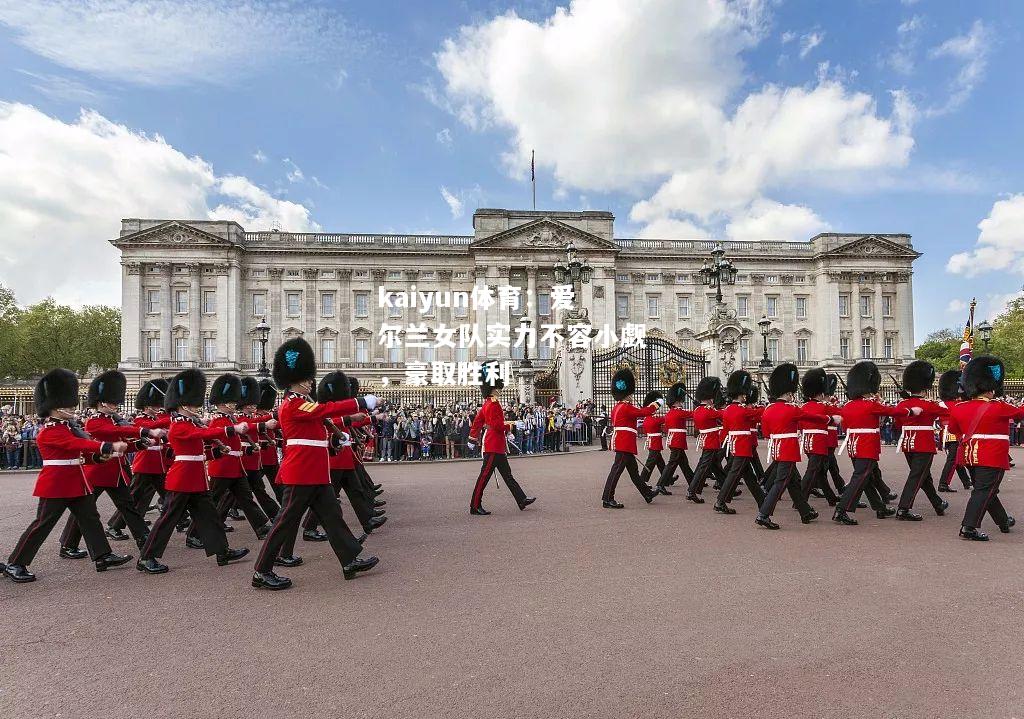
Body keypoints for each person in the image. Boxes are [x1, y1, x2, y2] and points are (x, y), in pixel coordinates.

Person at [251, 338, 380, 590]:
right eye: (307, 379)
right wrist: (361, 402)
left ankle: (349, 559)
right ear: (295, 380)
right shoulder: (293, 404)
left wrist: (334, 440)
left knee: (333, 517)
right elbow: (325, 410)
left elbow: (317, 432)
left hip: (315, 473)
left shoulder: (302, 403)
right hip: (301, 473)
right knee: (284, 522)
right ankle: (261, 570)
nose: (311, 382)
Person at [4, 368, 133, 583]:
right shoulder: (50, 431)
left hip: (77, 483)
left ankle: (102, 555)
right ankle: (16, 562)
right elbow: (76, 444)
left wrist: (100, 458)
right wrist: (106, 446)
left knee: (90, 519)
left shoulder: (68, 427)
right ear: (53, 407)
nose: (72, 408)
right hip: (56, 485)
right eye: (67, 404)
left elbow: (79, 454)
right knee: (42, 524)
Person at [136, 369, 250, 574]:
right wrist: (230, 430)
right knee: (167, 521)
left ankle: (222, 551)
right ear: (183, 405)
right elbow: (200, 434)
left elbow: (201, 443)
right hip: (182, 480)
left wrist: (217, 448)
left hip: (196, 479)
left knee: (211, 517)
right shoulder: (178, 425)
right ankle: (147, 557)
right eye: (194, 404)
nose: (197, 407)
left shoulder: (188, 421)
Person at [59, 370, 159, 557]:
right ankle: (68, 545)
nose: (115, 405)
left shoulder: (114, 421)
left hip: (116, 473)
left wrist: (138, 444)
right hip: (98, 472)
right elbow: (112, 434)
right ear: (101, 402)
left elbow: (121, 445)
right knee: (84, 511)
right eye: (112, 401)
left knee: (129, 509)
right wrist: (143, 432)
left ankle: (146, 544)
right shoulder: (94, 422)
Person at [185, 374, 271, 550]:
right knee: (212, 502)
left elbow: (236, 444)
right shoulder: (218, 419)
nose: (234, 404)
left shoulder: (231, 419)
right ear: (222, 403)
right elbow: (215, 437)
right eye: (231, 402)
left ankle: (261, 527)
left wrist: (247, 449)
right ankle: (194, 534)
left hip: (235, 467)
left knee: (246, 499)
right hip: (222, 467)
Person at [833, 361, 921, 526]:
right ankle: (841, 510)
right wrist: (911, 411)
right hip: (867, 445)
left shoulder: (848, 406)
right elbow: (892, 411)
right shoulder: (870, 405)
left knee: (869, 478)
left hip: (853, 445)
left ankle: (879, 507)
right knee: (860, 478)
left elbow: (844, 425)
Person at [949, 355, 1024, 541]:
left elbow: (953, 430)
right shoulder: (998, 407)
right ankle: (969, 527)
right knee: (984, 490)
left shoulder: (959, 407)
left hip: (969, 456)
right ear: (990, 388)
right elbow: (1021, 413)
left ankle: (1003, 521)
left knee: (987, 489)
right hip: (991, 455)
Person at [756, 364, 835, 529]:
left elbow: (766, 433)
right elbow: (812, 417)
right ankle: (763, 514)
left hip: (777, 447)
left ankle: (805, 511)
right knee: (781, 482)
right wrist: (830, 420)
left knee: (793, 483)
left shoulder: (768, 410)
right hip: (788, 449)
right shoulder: (791, 409)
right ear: (789, 393)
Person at [106, 379, 171, 540]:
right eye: (156, 405)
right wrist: (172, 418)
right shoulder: (141, 420)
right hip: (146, 464)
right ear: (147, 406)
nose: (158, 408)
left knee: (169, 496)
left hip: (158, 463)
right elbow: (145, 429)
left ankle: (179, 519)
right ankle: (114, 526)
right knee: (133, 497)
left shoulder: (155, 419)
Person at [468, 362, 536, 515]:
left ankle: (521, 499)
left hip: (497, 445)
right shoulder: (492, 404)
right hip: (493, 445)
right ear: (493, 387)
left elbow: (478, 421)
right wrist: (511, 427)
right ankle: (474, 505)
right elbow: (496, 425)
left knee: (508, 475)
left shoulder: (488, 403)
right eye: (498, 388)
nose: (500, 390)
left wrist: (472, 437)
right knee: (484, 477)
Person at [893, 360, 950, 521]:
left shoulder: (902, 404)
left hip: (907, 443)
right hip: (923, 444)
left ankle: (938, 503)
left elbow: (897, 423)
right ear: (926, 388)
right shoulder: (929, 405)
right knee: (917, 476)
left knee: (924, 476)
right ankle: (904, 508)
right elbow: (950, 414)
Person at [601, 368, 659, 509]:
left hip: (623, 442)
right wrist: (656, 404)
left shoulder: (617, 407)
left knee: (634, 473)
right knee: (616, 471)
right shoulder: (626, 407)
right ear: (627, 395)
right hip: (624, 443)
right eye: (631, 394)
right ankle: (607, 498)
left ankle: (647, 493)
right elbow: (643, 412)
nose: (632, 396)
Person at [713, 370, 766, 515]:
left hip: (735, 444)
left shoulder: (729, 409)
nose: (746, 396)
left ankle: (763, 501)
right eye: (745, 394)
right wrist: (769, 405)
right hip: (742, 445)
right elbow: (758, 414)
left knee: (749, 476)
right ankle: (720, 501)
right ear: (742, 394)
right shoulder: (742, 410)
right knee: (733, 474)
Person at [237, 376, 281, 521]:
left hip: (261, 456)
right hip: (249, 457)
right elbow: (250, 425)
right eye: (249, 403)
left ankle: (275, 515)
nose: (252, 406)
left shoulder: (252, 416)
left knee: (258, 488)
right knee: (241, 491)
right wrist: (269, 417)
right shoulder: (239, 418)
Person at [798, 368, 840, 506]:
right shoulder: (824, 407)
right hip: (819, 443)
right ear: (821, 393)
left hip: (807, 442)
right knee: (812, 472)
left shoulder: (803, 407)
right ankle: (799, 501)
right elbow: (841, 412)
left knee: (820, 472)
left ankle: (831, 498)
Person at [686, 377, 725, 503]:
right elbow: (722, 415)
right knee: (704, 467)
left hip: (705, 440)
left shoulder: (698, 410)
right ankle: (692, 491)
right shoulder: (708, 411)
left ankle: (726, 487)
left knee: (715, 466)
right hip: (711, 441)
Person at [936, 370, 972, 493]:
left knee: (956, 458)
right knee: (952, 459)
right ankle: (943, 483)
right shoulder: (956, 404)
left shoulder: (943, 404)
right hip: (953, 433)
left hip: (946, 433)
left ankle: (966, 482)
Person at [655, 382, 694, 493]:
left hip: (674, 440)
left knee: (684, 464)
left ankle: (694, 482)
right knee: (672, 464)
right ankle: (660, 484)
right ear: (677, 402)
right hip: (677, 441)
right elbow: (693, 414)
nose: (682, 403)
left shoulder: (670, 413)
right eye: (681, 401)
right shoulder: (678, 412)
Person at [637, 391, 668, 490]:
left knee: (660, 462)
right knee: (650, 462)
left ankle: (668, 478)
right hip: (655, 442)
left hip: (653, 442)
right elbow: (665, 419)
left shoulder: (648, 418)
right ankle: (642, 480)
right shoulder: (652, 419)